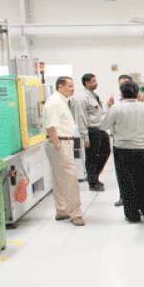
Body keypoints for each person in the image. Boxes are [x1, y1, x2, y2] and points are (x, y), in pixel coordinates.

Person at [100, 80, 144, 223]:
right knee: (143, 181)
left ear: (121, 94)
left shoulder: (116, 108)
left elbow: (104, 125)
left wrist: (108, 107)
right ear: (138, 93)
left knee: (126, 183)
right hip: (142, 149)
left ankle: (132, 214)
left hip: (122, 150)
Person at [42, 76, 85, 226]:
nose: (73, 89)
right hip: (59, 142)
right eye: (70, 86)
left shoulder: (61, 101)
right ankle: (76, 213)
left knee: (59, 178)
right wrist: (59, 145)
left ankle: (62, 210)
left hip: (63, 141)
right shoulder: (55, 102)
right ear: (60, 87)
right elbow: (51, 127)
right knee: (70, 178)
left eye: (73, 86)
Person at [73, 73, 113, 192]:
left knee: (106, 152)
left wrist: (108, 106)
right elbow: (81, 118)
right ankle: (93, 182)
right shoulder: (82, 98)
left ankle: (93, 176)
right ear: (87, 83)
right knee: (92, 157)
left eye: (96, 80)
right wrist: (85, 137)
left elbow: (99, 114)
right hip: (91, 131)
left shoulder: (94, 96)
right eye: (93, 81)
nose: (96, 83)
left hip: (100, 129)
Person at [113, 74, 133, 207]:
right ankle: (123, 197)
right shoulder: (115, 102)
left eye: (126, 83)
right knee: (122, 173)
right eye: (121, 84)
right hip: (120, 142)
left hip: (136, 142)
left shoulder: (140, 101)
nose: (123, 86)